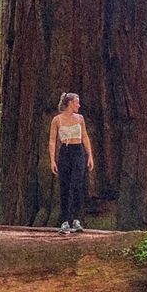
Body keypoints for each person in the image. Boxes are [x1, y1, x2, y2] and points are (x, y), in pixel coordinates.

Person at [49, 92, 94, 234]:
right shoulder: (57, 120)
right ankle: (64, 221)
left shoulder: (80, 119)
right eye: (77, 102)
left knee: (77, 184)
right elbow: (52, 140)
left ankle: (76, 219)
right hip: (65, 153)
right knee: (64, 185)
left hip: (78, 152)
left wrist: (90, 155)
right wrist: (52, 160)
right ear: (69, 103)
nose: (79, 105)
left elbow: (85, 137)